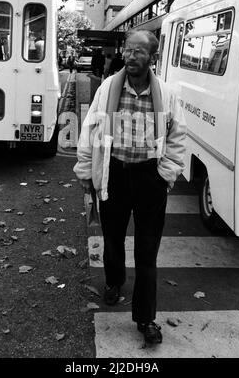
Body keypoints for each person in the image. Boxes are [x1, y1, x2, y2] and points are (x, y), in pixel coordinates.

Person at [74, 30, 186, 345]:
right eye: (128, 50)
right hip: (115, 176)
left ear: (153, 57)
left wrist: (167, 172)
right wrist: (85, 168)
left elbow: (178, 137)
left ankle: (145, 318)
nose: (131, 56)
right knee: (112, 239)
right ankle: (114, 281)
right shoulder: (109, 87)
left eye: (139, 51)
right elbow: (89, 128)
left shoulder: (167, 93)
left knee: (147, 251)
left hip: (150, 178)